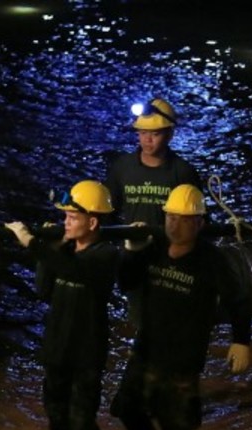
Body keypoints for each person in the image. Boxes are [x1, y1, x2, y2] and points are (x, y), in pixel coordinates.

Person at [109, 183, 251, 430]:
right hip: (147, 348)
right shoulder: (155, 247)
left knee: (175, 426)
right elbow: (126, 282)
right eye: (170, 217)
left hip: (184, 357)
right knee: (128, 409)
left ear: (199, 223)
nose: (174, 225)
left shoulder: (211, 259)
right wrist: (132, 251)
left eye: (183, 220)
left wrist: (241, 341)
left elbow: (238, 300)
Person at [5, 180, 123, 430]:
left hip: (86, 353)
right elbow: (44, 290)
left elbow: (76, 272)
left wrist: (32, 243)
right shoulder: (64, 253)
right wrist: (49, 249)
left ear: (93, 222)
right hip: (56, 351)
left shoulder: (105, 255)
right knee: (59, 427)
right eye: (65, 216)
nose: (66, 222)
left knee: (80, 424)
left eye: (73, 217)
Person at [104, 98, 203, 329]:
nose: (147, 140)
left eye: (155, 134)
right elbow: (108, 213)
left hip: (170, 259)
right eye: (142, 133)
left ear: (169, 134)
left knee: (172, 321)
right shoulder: (122, 168)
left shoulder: (183, 172)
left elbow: (198, 221)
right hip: (134, 256)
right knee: (140, 321)